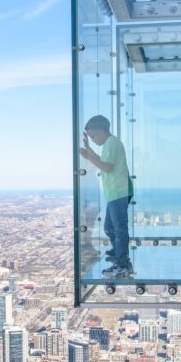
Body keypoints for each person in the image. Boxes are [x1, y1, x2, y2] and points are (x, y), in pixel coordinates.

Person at [79, 115, 134, 278]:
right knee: (109, 227)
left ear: (102, 131)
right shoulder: (110, 144)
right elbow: (101, 161)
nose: (93, 140)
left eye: (93, 137)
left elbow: (107, 167)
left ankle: (122, 264)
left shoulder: (111, 144)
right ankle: (118, 252)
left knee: (119, 228)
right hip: (116, 192)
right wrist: (88, 149)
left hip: (118, 192)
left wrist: (88, 156)